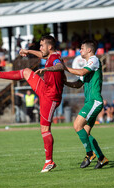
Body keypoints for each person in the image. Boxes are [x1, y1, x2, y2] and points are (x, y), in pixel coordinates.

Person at [0, 35, 65, 172]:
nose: (40, 48)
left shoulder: (55, 58)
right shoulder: (50, 56)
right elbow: (43, 56)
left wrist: (47, 70)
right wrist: (28, 51)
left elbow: (60, 66)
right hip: (45, 89)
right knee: (26, 72)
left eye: (42, 46)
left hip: (51, 97)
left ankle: (49, 161)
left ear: (49, 47)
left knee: (45, 129)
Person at [36, 40, 109, 169]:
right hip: (90, 102)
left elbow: (81, 72)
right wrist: (65, 82)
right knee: (85, 132)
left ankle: (89, 154)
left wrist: (64, 67)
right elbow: (77, 84)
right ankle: (102, 158)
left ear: (89, 50)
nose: (79, 51)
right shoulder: (88, 64)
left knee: (77, 125)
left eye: (81, 48)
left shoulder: (94, 60)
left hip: (94, 101)